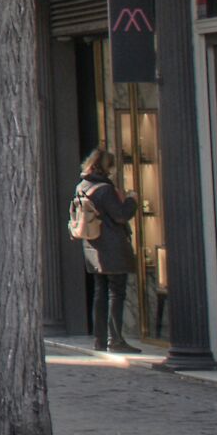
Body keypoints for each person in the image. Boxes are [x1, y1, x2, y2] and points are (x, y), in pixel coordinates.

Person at [75, 151, 141, 352]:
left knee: (100, 293)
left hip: (92, 247)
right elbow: (121, 216)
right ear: (107, 167)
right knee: (116, 293)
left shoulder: (82, 186)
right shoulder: (105, 190)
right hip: (112, 248)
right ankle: (116, 340)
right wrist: (132, 200)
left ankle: (100, 339)